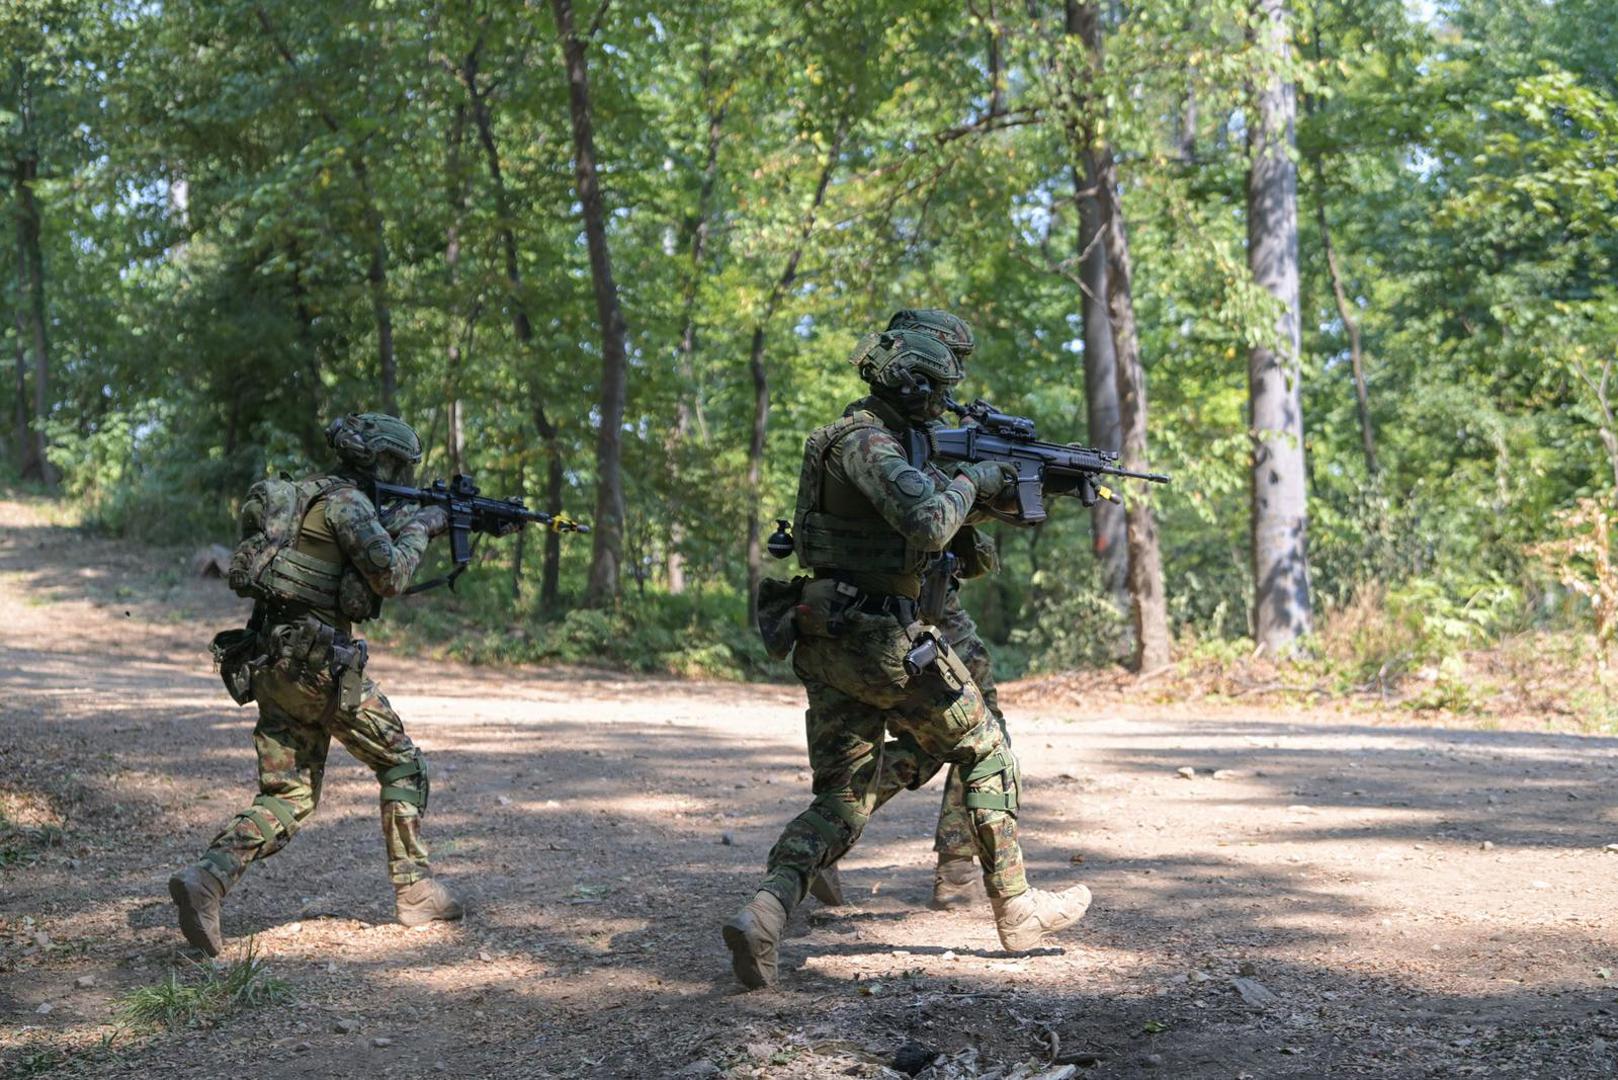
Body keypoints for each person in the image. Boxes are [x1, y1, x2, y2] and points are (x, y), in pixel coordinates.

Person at [725, 330, 1091, 989]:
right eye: (941, 389)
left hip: (830, 634)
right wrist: (975, 477)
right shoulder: (868, 444)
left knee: (841, 797)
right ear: (913, 386)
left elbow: (949, 515)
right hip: (879, 637)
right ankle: (1019, 909)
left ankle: (766, 911)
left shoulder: (869, 440)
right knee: (986, 746)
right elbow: (927, 522)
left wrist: (1027, 484)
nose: (949, 401)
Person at [169, 412, 462, 956]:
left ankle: (206, 879)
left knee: (288, 794)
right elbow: (390, 576)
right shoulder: (349, 505)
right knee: (402, 763)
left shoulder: (304, 497)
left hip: (271, 661)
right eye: (398, 464)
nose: (401, 474)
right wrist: (424, 525)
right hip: (319, 667)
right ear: (378, 460)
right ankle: (416, 891)